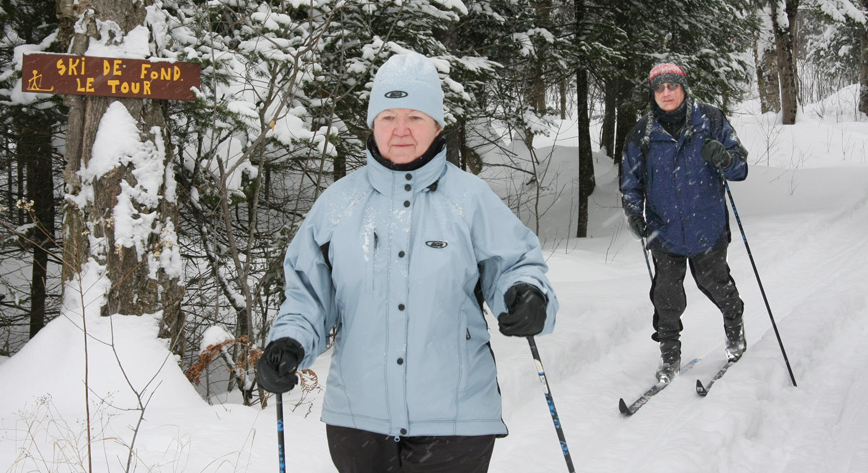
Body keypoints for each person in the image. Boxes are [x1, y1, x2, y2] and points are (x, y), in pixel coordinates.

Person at [255, 51, 558, 473]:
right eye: (388, 117)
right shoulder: (338, 204)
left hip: (455, 417)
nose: (400, 131)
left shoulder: (469, 200)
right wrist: (288, 342)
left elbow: (515, 264)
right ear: (372, 125)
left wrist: (527, 296)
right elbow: (308, 296)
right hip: (358, 418)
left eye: (414, 117)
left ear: (436, 125)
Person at [619, 62, 748, 383]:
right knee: (666, 296)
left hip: (709, 225)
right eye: (659, 88)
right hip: (663, 230)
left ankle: (735, 328)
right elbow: (630, 183)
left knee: (715, 284)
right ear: (653, 93)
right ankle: (669, 357)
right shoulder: (642, 133)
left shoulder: (711, 119)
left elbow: (740, 168)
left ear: (683, 88)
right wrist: (634, 214)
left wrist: (725, 158)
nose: (666, 93)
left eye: (672, 86)